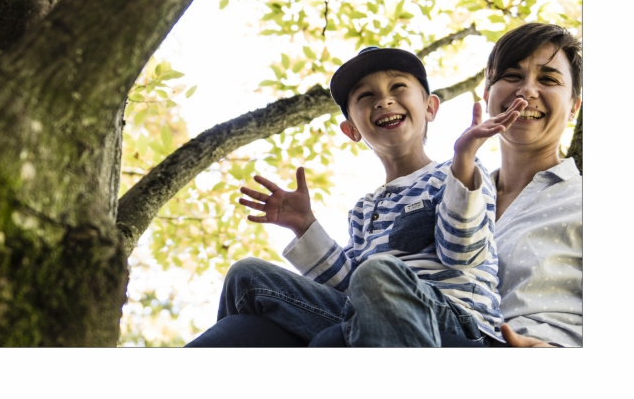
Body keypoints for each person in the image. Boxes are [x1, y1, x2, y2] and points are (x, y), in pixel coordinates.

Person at [186, 22, 582, 348]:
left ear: (431, 108)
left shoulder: (461, 176)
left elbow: (463, 254)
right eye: (512, 76)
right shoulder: (364, 209)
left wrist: (462, 161)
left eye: (397, 89)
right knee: (247, 276)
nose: (384, 102)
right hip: (374, 311)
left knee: (373, 280)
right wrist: (306, 228)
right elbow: (347, 283)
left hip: (457, 323)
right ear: (351, 129)